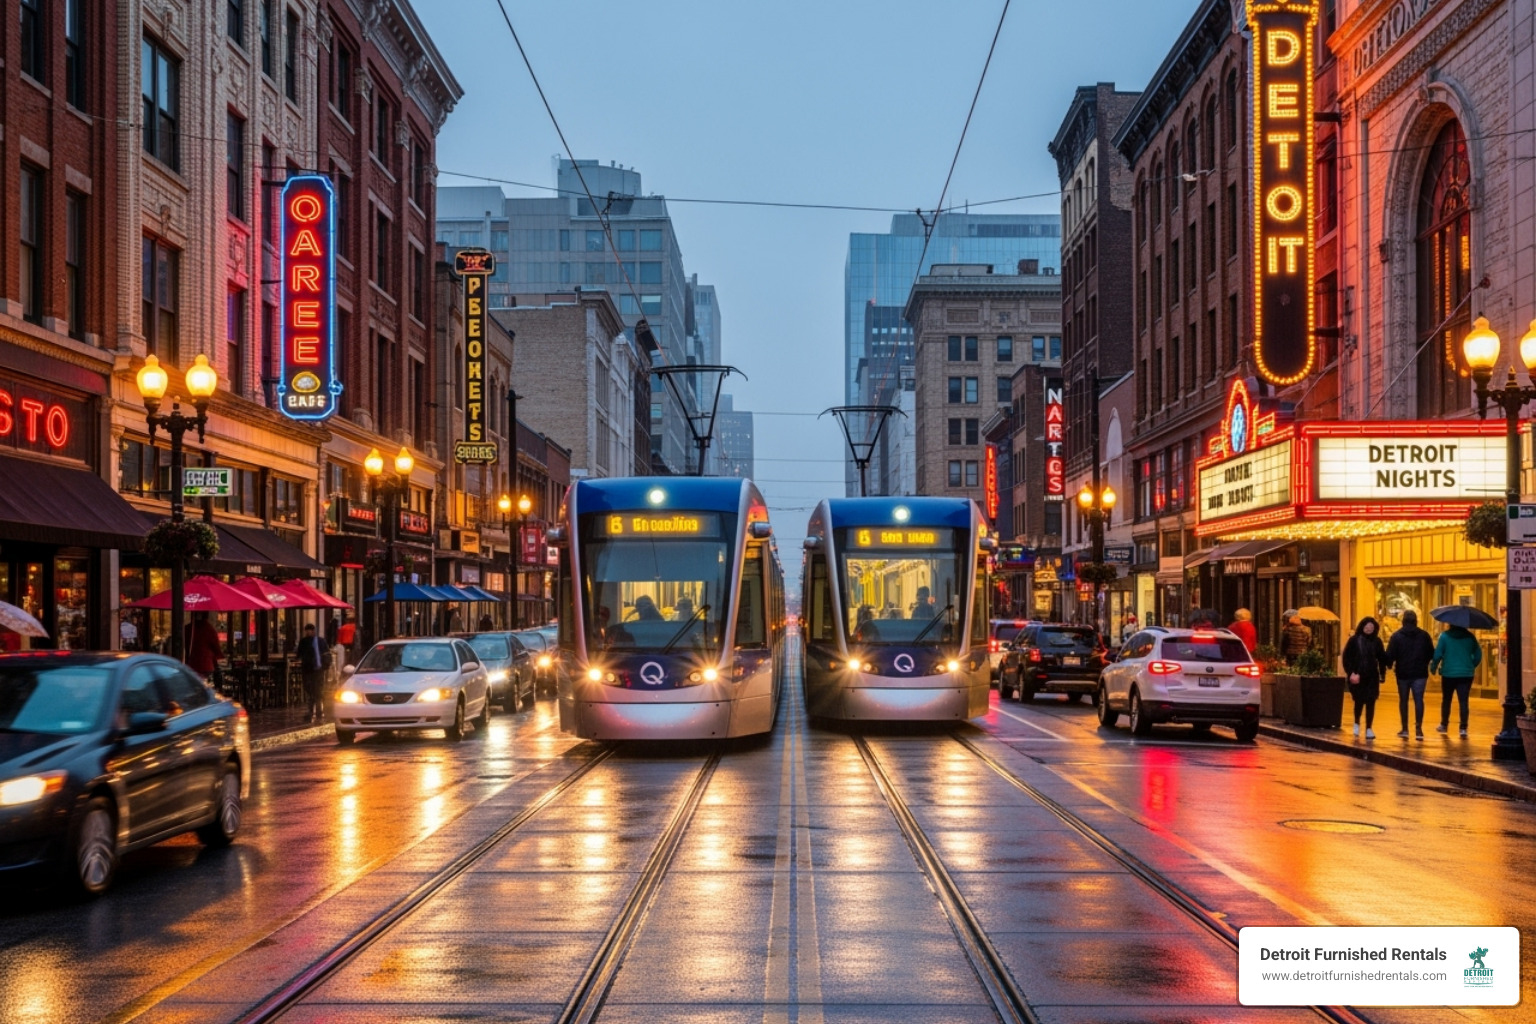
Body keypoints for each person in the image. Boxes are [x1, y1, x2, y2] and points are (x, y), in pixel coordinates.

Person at [1384, 609, 1434, 739]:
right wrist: (1424, 662)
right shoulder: (1424, 635)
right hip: (1420, 673)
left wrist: (1389, 665)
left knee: (1403, 700)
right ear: (1416, 621)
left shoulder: (1396, 636)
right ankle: (1418, 729)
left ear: (1403, 621)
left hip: (1403, 673)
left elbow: (1390, 655)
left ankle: (1405, 728)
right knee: (1419, 700)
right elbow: (1431, 653)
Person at [1431, 624, 1482, 737]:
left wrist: (1433, 667)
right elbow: (1478, 655)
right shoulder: (1470, 637)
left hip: (1448, 673)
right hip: (1466, 674)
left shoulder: (1444, 636)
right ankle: (1463, 728)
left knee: (1446, 699)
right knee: (1463, 701)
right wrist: (1471, 665)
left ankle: (1444, 724)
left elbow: (1438, 654)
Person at [1342, 616, 1387, 739]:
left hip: (1372, 676)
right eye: (1367, 626)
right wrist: (1350, 672)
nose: (1368, 629)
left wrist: (1383, 674)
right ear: (1362, 627)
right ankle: (1356, 722)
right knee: (1359, 701)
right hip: (1357, 676)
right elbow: (1346, 657)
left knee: (1371, 702)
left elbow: (1381, 658)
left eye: (1371, 627)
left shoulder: (1377, 642)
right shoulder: (1354, 640)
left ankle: (1369, 728)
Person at [298, 623, 330, 723]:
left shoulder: (320, 641)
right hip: (309, 669)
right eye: (306, 630)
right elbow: (299, 654)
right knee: (310, 690)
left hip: (317, 669)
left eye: (309, 630)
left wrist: (325, 665)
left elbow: (326, 653)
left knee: (318, 690)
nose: (308, 632)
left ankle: (318, 710)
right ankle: (312, 710)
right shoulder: (304, 642)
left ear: (313, 631)